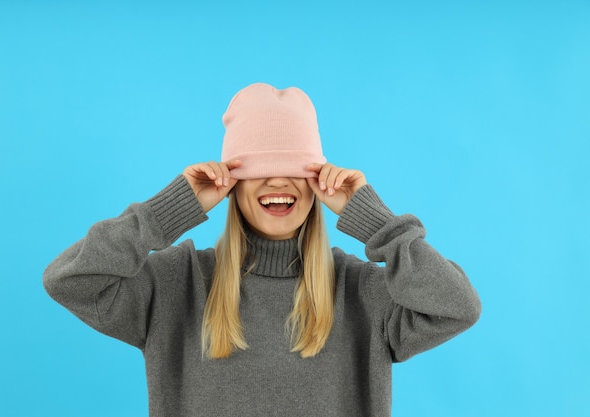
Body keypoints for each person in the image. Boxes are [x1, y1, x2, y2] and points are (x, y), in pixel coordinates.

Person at [43, 82, 481, 417]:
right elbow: (70, 280)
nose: (276, 182)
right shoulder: (176, 284)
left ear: (318, 184)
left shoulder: (364, 293)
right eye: (258, 169)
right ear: (230, 185)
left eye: (294, 168)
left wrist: (379, 223)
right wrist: (165, 212)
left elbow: (458, 306)